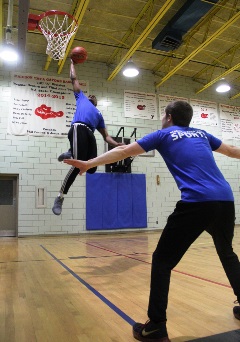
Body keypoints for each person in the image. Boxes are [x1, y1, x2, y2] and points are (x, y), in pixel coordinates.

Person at [64, 100, 240, 342]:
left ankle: (156, 326)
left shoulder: (163, 134)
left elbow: (123, 151)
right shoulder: (202, 134)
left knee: (162, 261)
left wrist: (89, 163)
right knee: (227, 253)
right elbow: (231, 150)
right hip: (225, 200)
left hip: (197, 202)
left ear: (168, 116)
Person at [52, 60, 123, 215]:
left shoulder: (99, 115)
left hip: (89, 134)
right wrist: (72, 63)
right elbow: (74, 79)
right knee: (77, 164)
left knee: (91, 168)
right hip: (78, 128)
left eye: (94, 96)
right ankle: (60, 197)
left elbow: (106, 137)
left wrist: (117, 145)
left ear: (96, 103)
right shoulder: (81, 98)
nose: (91, 96)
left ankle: (71, 152)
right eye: (90, 94)